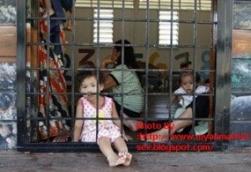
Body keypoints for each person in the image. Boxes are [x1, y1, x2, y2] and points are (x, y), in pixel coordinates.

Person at [73, 70, 132, 167]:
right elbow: (78, 124)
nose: (89, 90)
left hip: (110, 129)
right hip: (92, 132)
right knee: (103, 136)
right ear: (80, 90)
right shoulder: (82, 102)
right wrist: (75, 143)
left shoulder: (109, 101)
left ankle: (124, 156)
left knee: (118, 138)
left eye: (93, 85)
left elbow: (116, 119)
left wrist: (123, 132)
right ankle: (111, 157)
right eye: (84, 87)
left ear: (101, 86)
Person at [142, 71, 210, 142]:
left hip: (197, 117)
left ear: (197, 83)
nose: (188, 86)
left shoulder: (200, 89)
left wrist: (208, 87)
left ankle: (167, 133)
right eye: (184, 84)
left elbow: (209, 90)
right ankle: (166, 132)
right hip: (185, 114)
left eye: (191, 83)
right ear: (181, 84)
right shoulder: (181, 90)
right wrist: (169, 103)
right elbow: (174, 95)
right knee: (173, 122)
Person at [101, 40, 144, 131]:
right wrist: (105, 65)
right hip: (134, 111)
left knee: (99, 97)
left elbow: (103, 87)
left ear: (118, 53)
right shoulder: (127, 67)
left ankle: (122, 120)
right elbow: (107, 81)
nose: (111, 54)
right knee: (105, 96)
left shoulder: (121, 69)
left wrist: (103, 63)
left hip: (128, 111)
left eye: (113, 51)